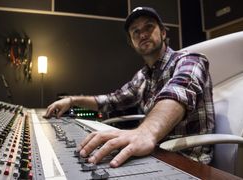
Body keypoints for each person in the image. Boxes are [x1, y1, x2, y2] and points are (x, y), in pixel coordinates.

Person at [44, 7, 214, 168]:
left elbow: (178, 91)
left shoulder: (190, 60)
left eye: (149, 27)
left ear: (163, 32)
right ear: (132, 43)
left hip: (188, 161)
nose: (143, 34)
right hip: (154, 152)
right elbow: (111, 101)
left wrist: (146, 132)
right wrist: (72, 100)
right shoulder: (142, 76)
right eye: (136, 32)